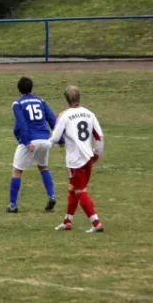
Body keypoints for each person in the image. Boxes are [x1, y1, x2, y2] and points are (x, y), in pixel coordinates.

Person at [50, 86, 104, 233]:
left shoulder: (65, 116)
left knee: (80, 191)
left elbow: (55, 137)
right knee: (72, 189)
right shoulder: (89, 114)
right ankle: (67, 221)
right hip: (88, 158)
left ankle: (96, 222)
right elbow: (99, 136)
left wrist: (57, 123)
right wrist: (97, 153)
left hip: (75, 160)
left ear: (66, 100)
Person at [5, 76, 58, 214]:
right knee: (43, 167)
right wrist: (60, 139)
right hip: (45, 140)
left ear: (19, 89)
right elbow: (52, 119)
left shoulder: (17, 104)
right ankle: (51, 196)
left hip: (31, 141)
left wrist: (26, 141)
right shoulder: (40, 100)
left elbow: (21, 123)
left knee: (17, 171)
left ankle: (12, 204)